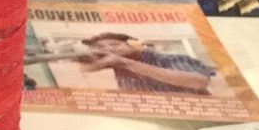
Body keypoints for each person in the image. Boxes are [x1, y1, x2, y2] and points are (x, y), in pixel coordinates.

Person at [79, 33, 217, 95]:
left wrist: (127, 63)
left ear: (134, 44)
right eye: (101, 48)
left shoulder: (169, 58)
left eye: (114, 44)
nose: (108, 49)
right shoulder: (115, 62)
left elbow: (200, 82)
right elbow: (85, 68)